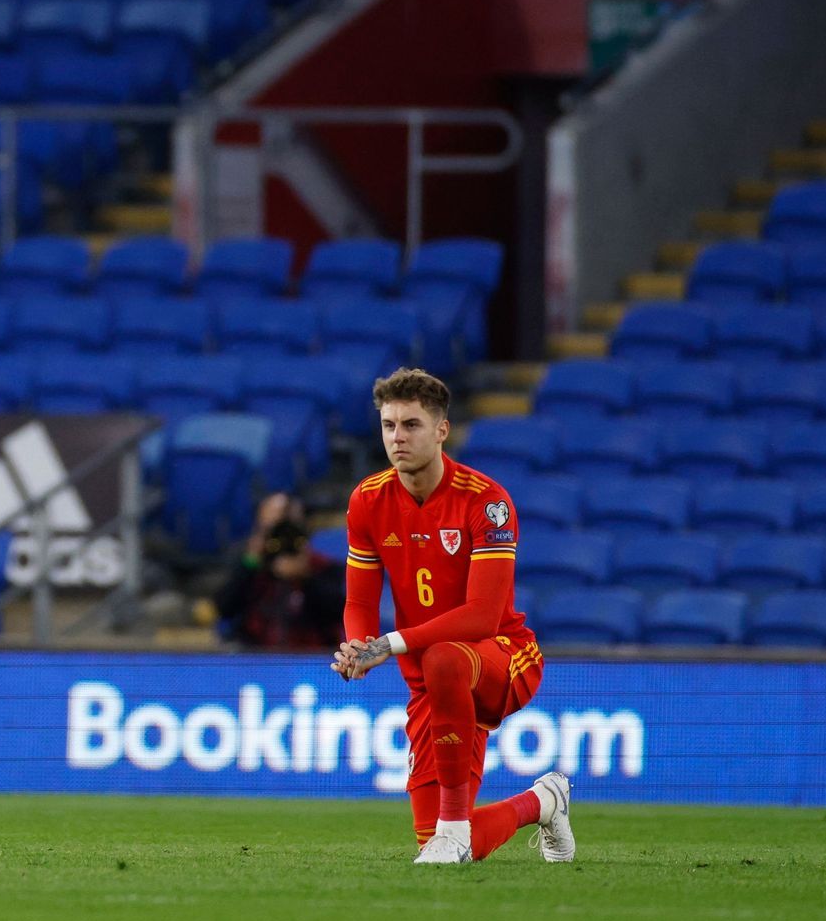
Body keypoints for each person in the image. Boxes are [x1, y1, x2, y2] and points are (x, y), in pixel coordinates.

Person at [331, 368, 576, 867]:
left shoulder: (486, 502)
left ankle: (454, 825)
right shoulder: (367, 500)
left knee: (443, 657)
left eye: (411, 425)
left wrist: (391, 643)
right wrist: (358, 644)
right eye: (389, 425)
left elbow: (483, 617)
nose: (398, 437)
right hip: (430, 682)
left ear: (441, 430)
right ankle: (544, 801)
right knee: (438, 849)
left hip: (504, 660)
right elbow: (358, 604)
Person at [213, 492, 344, 650]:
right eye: (275, 528)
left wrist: (305, 577)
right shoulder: (248, 561)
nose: (283, 537)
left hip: (312, 659)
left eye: (289, 527)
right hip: (255, 657)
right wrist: (250, 564)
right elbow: (224, 608)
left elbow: (338, 614)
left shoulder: (322, 566)